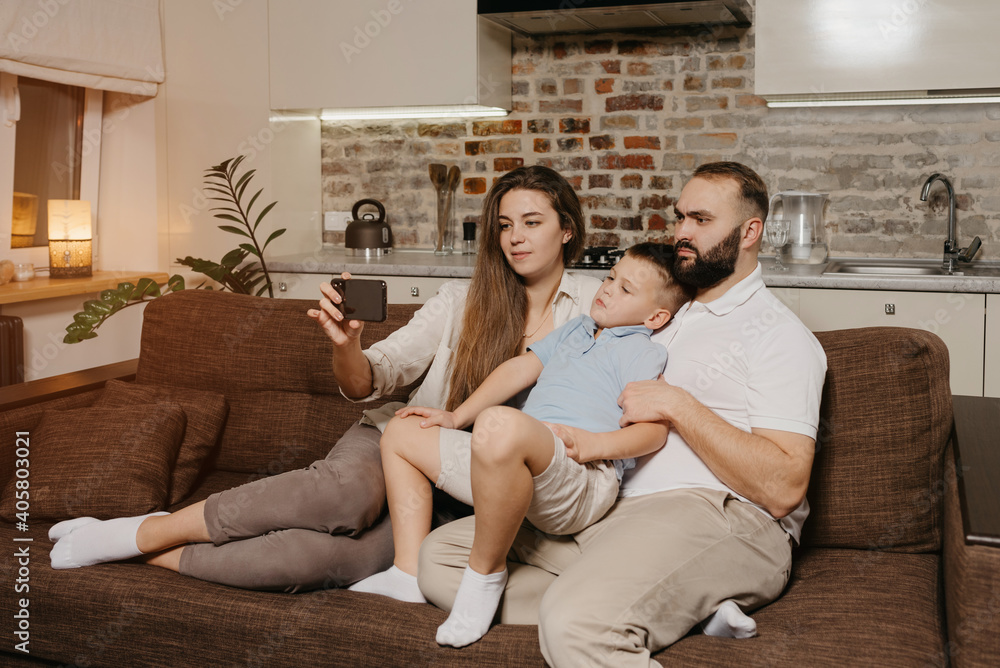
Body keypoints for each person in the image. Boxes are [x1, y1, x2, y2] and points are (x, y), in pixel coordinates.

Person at [46, 165, 603, 592]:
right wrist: (348, 345)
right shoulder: (461, 299)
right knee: (347, 494)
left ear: (567, 230)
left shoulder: (593, 316)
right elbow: (371, 379)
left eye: (533, 223)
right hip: (395, 439)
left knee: (326, 562)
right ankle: (139, 531)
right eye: (505, 225)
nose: (516, 238)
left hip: (463, 486)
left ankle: (135, 550)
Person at [416, 161, 829, 666]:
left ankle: (605, 612)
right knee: (439, 561)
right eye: (680, 217)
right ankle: (684, 609)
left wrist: (679, 406)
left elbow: (785, 486)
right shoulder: (666, 311)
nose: (681, 233)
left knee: (577, 625)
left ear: (750, 232)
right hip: (610, 508)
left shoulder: (777, 335)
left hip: (715, 515)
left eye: (701, 220)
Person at [353, 243, 693, 647]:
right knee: (401, 429)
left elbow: (653, 433)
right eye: (609, 277)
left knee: (501, 424)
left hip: (579, 477)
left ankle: (484, 579)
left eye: (625, 289)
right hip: (518, 472)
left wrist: (590, 445)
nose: (607, 289)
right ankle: (408, 571)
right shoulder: (576, 328)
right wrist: (456, 417)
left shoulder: (640, 351)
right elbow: (520, 368)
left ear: (655, 316)